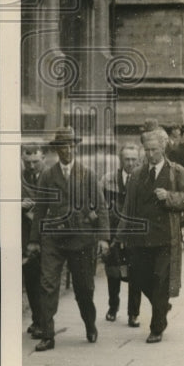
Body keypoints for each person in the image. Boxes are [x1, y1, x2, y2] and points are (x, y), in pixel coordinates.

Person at [31, 126, 109, 351]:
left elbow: (101, 207)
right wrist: (34, 240)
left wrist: (103, 238)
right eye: (62, 146)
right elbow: (40, 209)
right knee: (47, 285)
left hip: (81, 239)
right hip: (53, 239)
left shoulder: (88, 174)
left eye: (70, 145)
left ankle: (89, 323)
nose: (66, 150)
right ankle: (48, 334)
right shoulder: (48, 175)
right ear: (57, 149)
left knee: (84, 288)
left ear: (75, 147)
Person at [118, 128, 184, 343]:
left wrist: (169, 196)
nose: (150, 154)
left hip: (165, 237)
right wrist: (121, 237)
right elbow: (128, 207)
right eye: (147, 150)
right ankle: (162, 306)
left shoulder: (176, 171)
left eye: (154, 150)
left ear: (163, 148)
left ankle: (157, 327)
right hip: (140, 239)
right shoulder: (137, 174)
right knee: (140, 279)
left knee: (161, 281)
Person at [101, 143, 142, 326]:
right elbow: (99, 205)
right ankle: (113, 306)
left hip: (135, 234)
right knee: (113, 271)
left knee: (136, 274)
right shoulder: (108, 180)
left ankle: (133, 313)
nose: (130, 163)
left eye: (134, 159)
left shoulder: (143, 180)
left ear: (138, 160)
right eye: (127, 159)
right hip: (113, 232)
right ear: (120, 160)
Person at [21, 143, 45, 338]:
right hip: (27, 238)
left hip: (47, 238)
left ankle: (43, 321)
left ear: (43, 158)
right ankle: (38, 319)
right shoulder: (18, 178)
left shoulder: (51, 177)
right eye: (27, 162)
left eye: (35, 162)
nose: (31, 166)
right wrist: (19, 205)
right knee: (31, 280)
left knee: (46, 281)